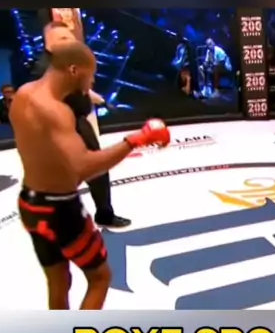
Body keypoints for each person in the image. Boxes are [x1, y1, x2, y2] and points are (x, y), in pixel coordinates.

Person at [10, 42, 170, 311]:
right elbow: (82, 167)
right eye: (91, 74)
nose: (93, 81)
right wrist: (135, 140)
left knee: (59, 282)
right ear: (74, 70)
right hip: (61, 209)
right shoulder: (56, 111)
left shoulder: (24, 94)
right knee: (100, 278)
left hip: (31, 203)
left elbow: (45, 150)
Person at [36, 21, 131, 227]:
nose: (69, 42)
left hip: (79, 123)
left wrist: (100, 100)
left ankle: (104, 213)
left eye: (69, 37)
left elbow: (81, 89)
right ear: (49, 41)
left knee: (98, 166)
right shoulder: (45, 67)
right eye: (63, 38)